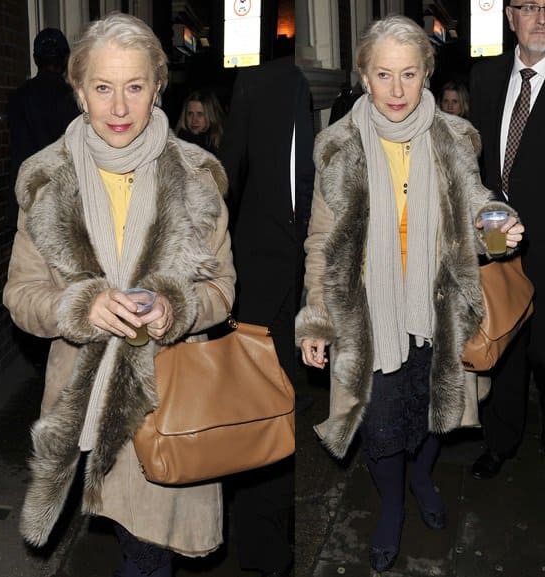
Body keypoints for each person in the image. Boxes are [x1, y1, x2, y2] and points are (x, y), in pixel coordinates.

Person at [3, 12, 235, 577]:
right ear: (79, 91)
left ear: (158, 87)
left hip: (167, 393)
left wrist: (175, 307)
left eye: (135, 87)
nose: (120, 108)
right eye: (103, 88)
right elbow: (21, 294)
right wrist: (78, 306)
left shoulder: (197, 178)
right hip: (81, 395)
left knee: (146, 548)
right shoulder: (47, 181)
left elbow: (223, 289)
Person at [296, 15, 524, 573]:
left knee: (432, 410)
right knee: (379, 425)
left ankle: (422, 475)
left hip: (437, 310)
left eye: (409, 74)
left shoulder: (453, 138)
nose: (396, 91)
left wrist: (500, 226)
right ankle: (392, 505)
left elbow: (479, 207)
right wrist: (317, 319)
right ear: (364, 77)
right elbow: (323, 241)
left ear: (426, 74)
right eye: (382, 75)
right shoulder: (336, 148)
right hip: (368, 316)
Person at [220, 55, 314, 577]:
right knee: (263, 420)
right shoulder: (262, 84)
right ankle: (265, 550)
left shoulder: (373, 93)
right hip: (261, 292)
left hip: (319, 288)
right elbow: (226, 181)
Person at [469, 1, 545, 480]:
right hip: (497, 239)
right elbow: (477, 164)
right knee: (505, 348)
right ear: (510, 17)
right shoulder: (486, 76)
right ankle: (500, 442)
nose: (542, 17)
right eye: (531, 6)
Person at [8, 27, 80, 226]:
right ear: (66, 58)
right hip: (62, 196)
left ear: (35, 59)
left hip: (26, 193)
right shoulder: (75, 99)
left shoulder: (17, 98)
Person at [175, 89, 225, 155]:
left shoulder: (223, 145)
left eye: (200, 114)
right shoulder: (177, 145)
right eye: (190, 114)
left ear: (210, 116)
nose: (194, 120)